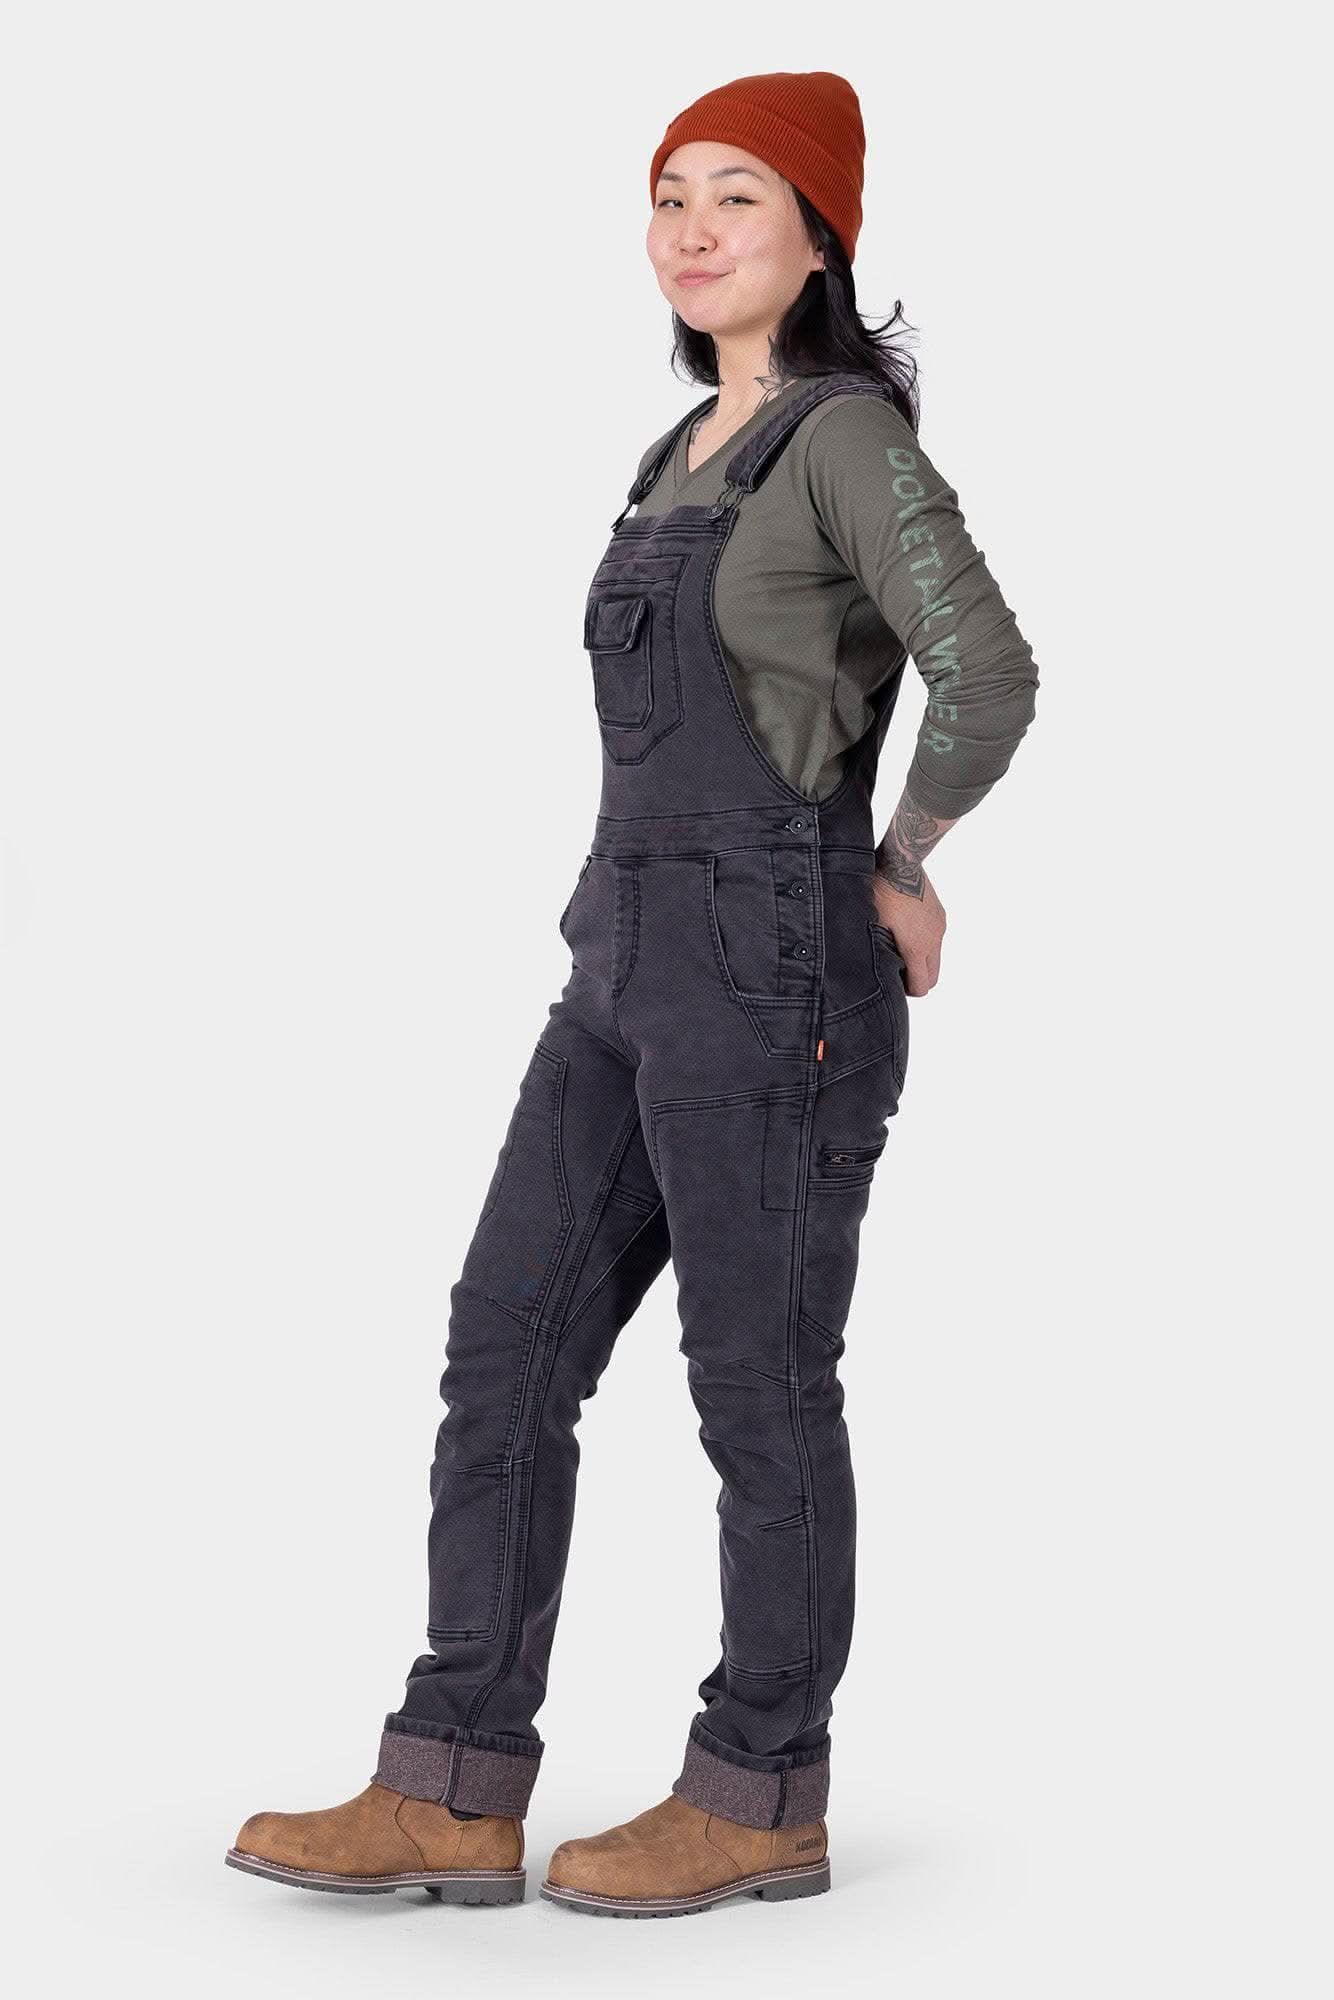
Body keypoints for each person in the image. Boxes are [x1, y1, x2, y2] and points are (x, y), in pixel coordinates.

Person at [225, 68, 1039, 1918]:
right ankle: (450, 1786)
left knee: (756, 1387)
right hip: (620, 956)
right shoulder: (676, 452)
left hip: (770, 963)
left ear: (818, 235)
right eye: (668, 194)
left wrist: (899, 862)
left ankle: (758, 1791)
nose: (689, 228)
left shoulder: (842, 440)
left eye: (736, 194)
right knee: (503, 1350)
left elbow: (987, 669)